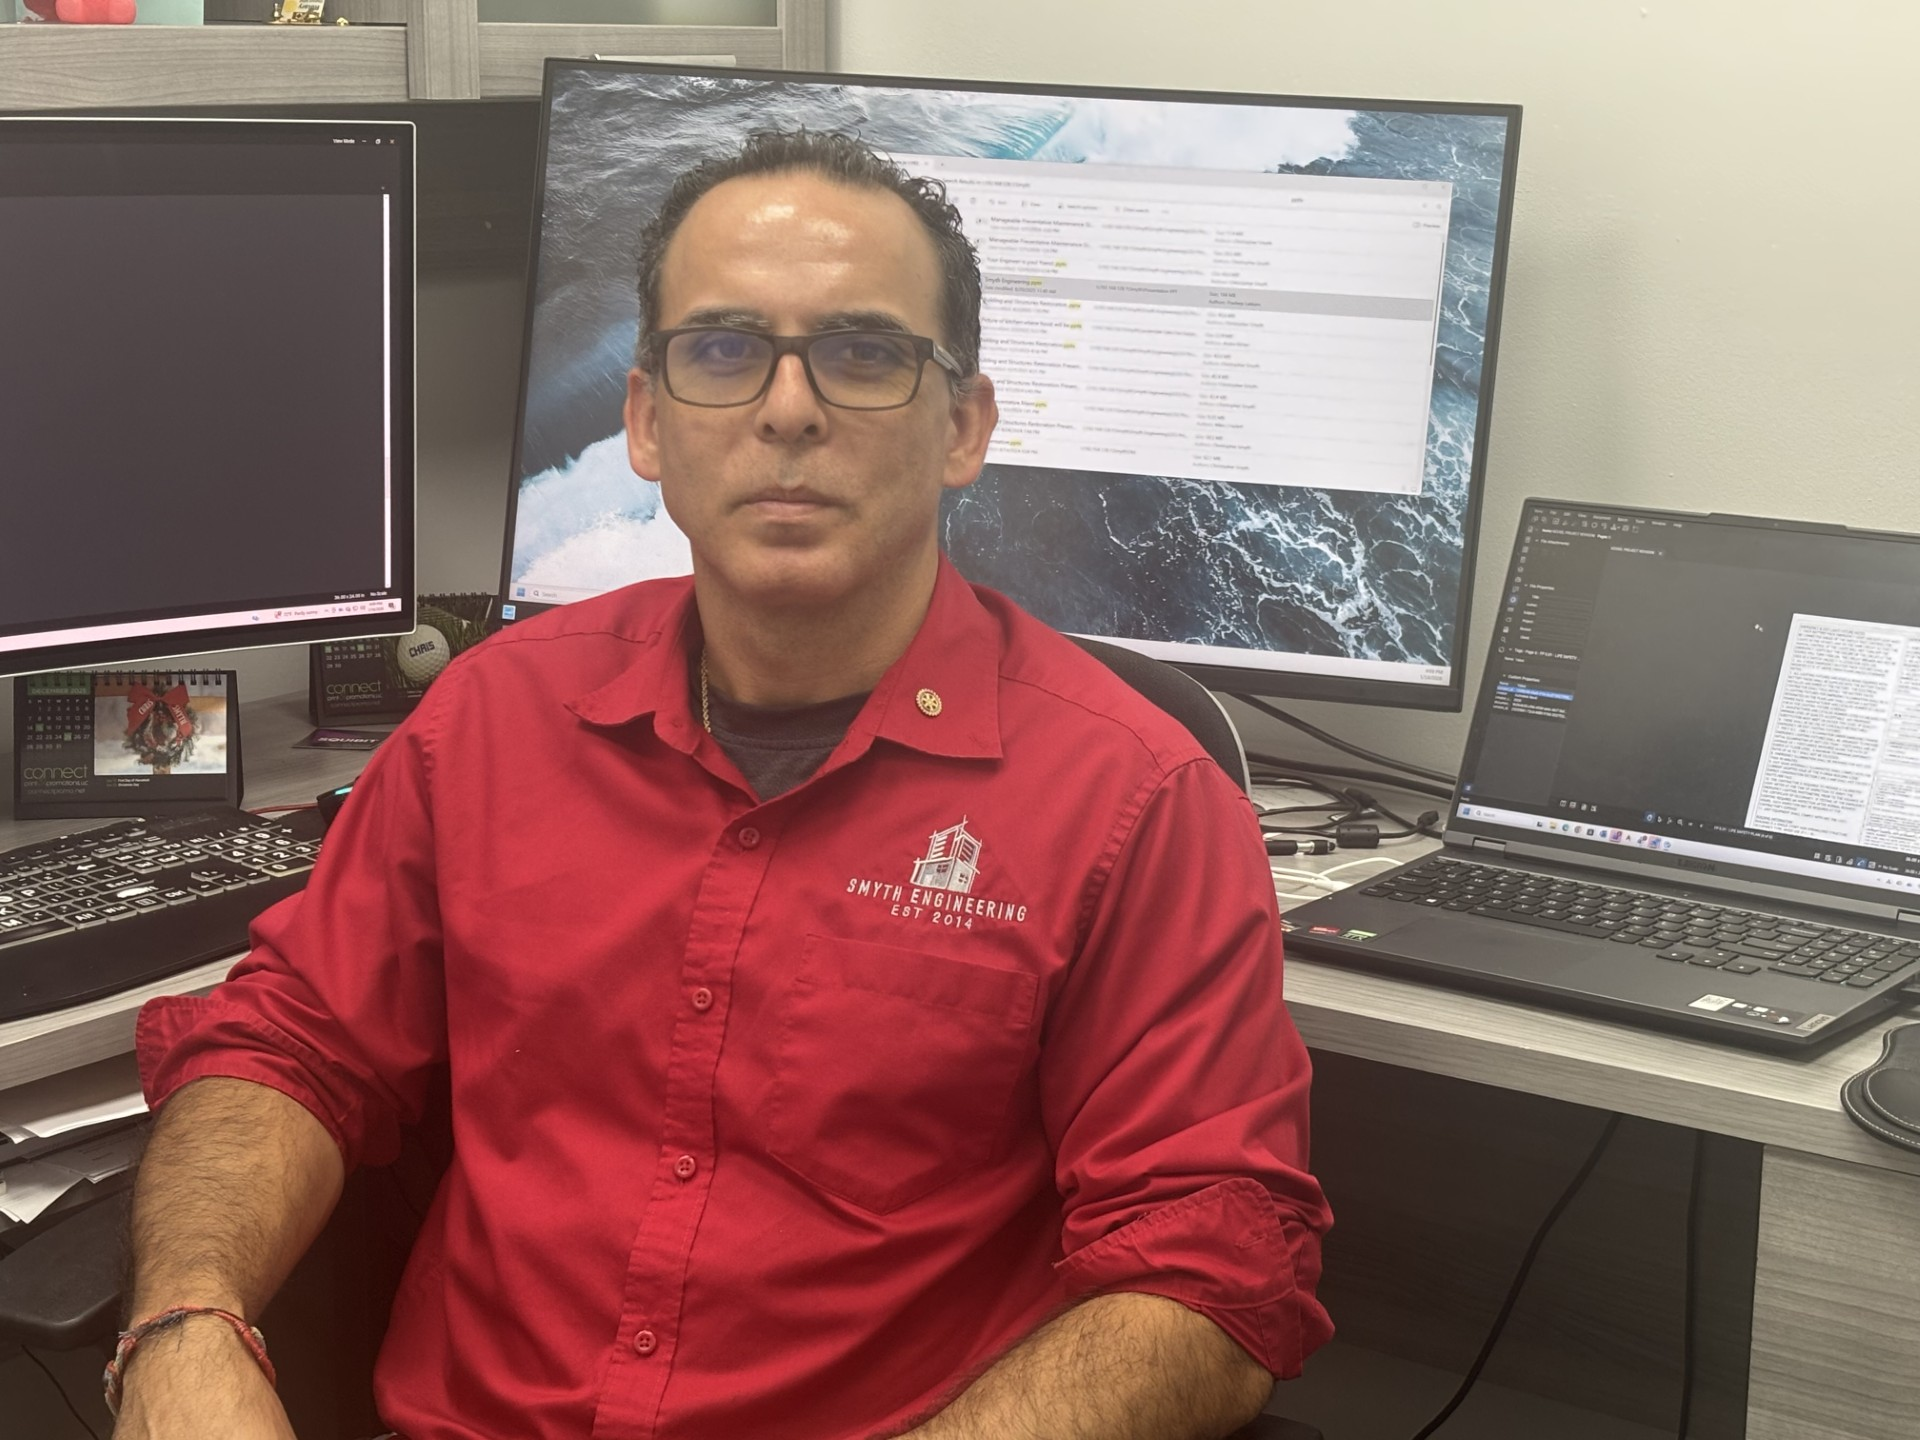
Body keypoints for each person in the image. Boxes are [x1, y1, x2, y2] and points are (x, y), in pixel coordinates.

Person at [114, 130, 1333, 1440]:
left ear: (964, 425)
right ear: (646, 421)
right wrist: (186, 1321)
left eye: (864, 354)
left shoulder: (1135, 802)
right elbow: (293, 1043)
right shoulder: (490, 720)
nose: (790, 407)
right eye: (722, 350)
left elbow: (1204, 1272)